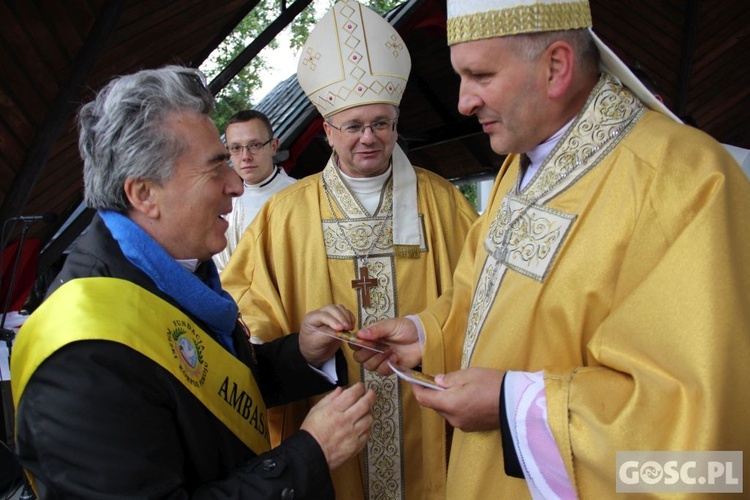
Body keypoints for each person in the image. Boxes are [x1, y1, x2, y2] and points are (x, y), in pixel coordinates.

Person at [354, 0, 750, 497]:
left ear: (556, 66)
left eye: (479, 75)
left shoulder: (689, 181)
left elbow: (702, 443)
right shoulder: (517, 167)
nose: (462, 102)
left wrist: (510, 404)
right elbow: (483, 305)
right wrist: (425, 335)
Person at [10, 65, 377, 499]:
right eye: (216, 167)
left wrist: (301, 355)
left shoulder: (173, 275)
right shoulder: (84, 356)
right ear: (144, 194)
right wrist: (308, 455)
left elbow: (214, 389)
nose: (236, 186)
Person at [221, 1, 478, 498]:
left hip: (424, 409)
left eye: (381, 124)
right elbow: (246, 306)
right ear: (328, 131)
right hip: (329, 410)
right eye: (353, 125)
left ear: (396, 125)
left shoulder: (441, 200)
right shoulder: (286, 213)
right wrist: (296, 342)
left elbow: (482, 289)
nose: (368, 138)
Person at [213, 110, 296, 273]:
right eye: (236, 148)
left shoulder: (302, 196)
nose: (245, 157)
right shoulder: (225, 208)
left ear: (273, 146)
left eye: (255, 145)